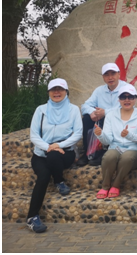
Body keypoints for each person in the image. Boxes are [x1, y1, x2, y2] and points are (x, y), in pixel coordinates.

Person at [26, 79, 83, 233]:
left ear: (66, 92)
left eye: (60, 89)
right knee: (43, 176)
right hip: (41, 154)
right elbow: (34, 135)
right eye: (53, 89)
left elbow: (78, 133)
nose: (57, 92)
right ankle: (32, 217)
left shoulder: (73, 110)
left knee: (53, 156)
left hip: (65, 153)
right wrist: (49, 147)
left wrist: (59, 145)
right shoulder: (41, 110)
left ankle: (59, 181)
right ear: (49, 92)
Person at [94, 84, 137, 199]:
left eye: (130, 97)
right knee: (109, 156)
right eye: (123, 97)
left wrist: (129, 135)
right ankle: (105, 186)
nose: (127, 100)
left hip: (135, 149)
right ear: (119, 99)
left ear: (135, 99)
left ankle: (116, 185)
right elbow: (107, 141)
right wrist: (100, 135)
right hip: (115, 147)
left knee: (127, 157)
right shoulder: (111, 115)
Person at [77, 63, 129, 166]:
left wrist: (105, 112)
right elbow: (85, 105)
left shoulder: (126, 88)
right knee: (87, 118)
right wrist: (92, 112)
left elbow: (126, 107)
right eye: (106, 75)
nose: (110, 77)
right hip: (101, 120)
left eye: (113, 73)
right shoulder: (99, 90)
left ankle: (105, 151)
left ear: (119, 74)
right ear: (103, 77)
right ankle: (88, 151)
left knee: (109, 118)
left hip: (120, 120)